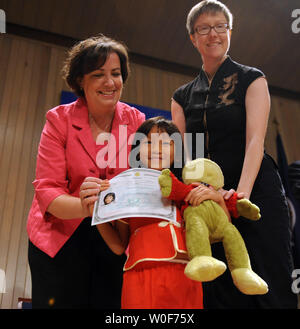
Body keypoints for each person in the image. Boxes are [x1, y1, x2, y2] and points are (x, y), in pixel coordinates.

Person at [171, 0, 297, 308]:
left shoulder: (252, 78)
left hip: (255, 194)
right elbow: (187, 159)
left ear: (230, 31)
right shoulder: (181, 97)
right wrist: (205, 197)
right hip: (208, 202)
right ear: (193, 37)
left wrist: (235, 198)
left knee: (269, 284)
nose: (213, 34)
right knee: (221, 291)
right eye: (203, 28)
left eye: (220, 26)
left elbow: (256, 141)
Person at [27, 34, 145, 309]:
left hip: (114, 237)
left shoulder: (137, 121)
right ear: (81, 80)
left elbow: (140, 181)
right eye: (98, 74)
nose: (110, 82)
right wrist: (91, 206)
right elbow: (47, 192)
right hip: (59, 237)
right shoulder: (58, 120)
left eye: (116, 74)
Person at [81, 116, 231, 309]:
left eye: (166, 143)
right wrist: (95, 210)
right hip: (138, 277)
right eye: (149, 142)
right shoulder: (124, 188)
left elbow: (221, 230)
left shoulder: (190, 187)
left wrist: (217, 199)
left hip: (185, 275)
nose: (156, 149)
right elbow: (118, 246)